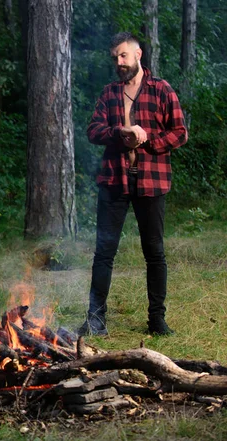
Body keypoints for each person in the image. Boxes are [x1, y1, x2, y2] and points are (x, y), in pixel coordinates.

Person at [77, 32, 188, 337]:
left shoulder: (161, 90)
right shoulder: (110, 93)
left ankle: (157, 319)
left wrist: (148, 138)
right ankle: (96, 320)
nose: (119, 62)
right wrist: (119, 133)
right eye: (115, 57)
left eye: (123, 56)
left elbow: (180, 133)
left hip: (152, 182)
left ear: (139, 55)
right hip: (115, 180)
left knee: (154, 252)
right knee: (104, 252)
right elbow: (93, 130)